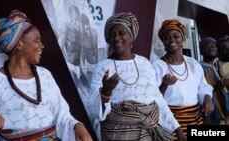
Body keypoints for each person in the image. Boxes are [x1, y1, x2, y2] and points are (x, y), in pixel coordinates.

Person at [0, 10, 92, 141]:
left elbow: (61, 115)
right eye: (37, 40)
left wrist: (78, 126)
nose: (42, 45)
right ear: (20, 43)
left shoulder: (45, 75)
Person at [89, 12, 185, 141]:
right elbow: (92, 109)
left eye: (121, 33)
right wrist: (106, 92)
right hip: (116, 134)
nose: (116, 38)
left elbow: (157, 99)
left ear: (131, 37)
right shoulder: (102, 67)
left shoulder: (144, 63)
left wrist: (176, 128)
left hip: (147, 134)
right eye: (112, 35)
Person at [152, 19, 214, 139]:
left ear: (183, 41)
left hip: (196, 119)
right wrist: (164, 84)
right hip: (170, 122)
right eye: (166, 38)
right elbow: (154, 99)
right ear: (163, 43)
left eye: (176, 36)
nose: (171, 40)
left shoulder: (193, 63)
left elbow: (203, 86)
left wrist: (207, 98)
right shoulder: (157, 67)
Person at [199, 37, 229, 125]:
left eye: (212, 46)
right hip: (213, 110)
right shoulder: (199, 67)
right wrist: (217, 86)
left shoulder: (222, 64)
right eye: (206, 47)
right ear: (201, 52)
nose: (210, 48)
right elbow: (199, 89)